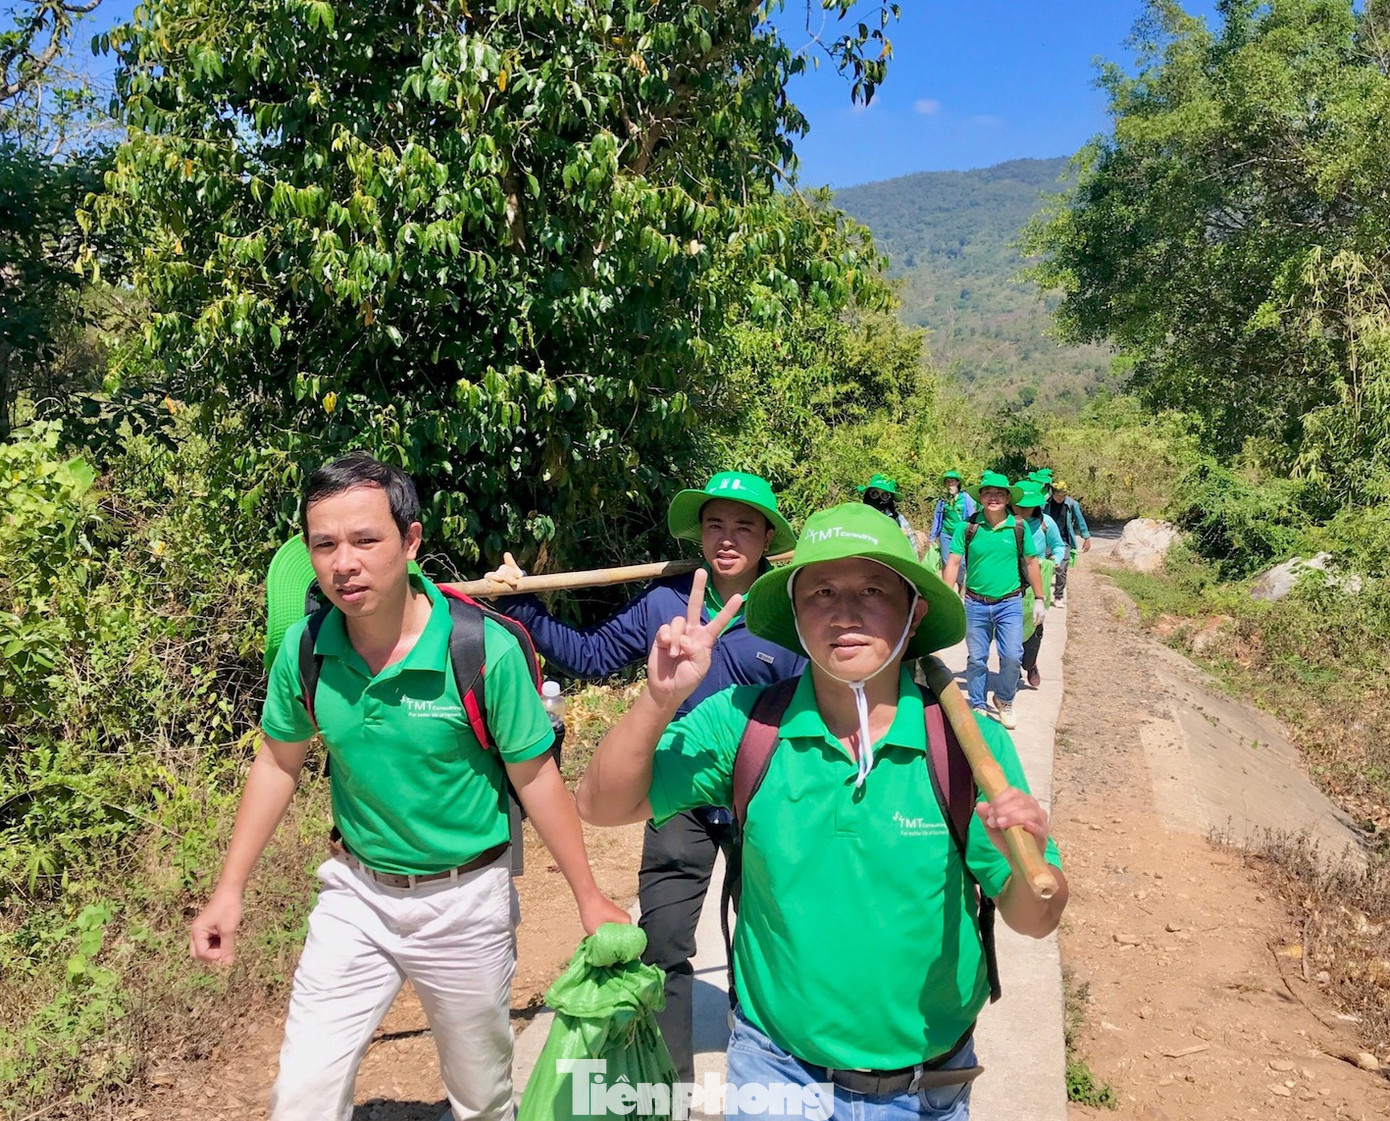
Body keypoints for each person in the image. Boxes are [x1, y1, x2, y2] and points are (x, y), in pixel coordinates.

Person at [575, 503, 1067, 1121]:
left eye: (873, 590)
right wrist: (658, 698)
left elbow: (1035, 917)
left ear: (914, 615)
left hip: (926, 1088)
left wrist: (1022, 867)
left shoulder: (967, 749)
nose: (845, 612)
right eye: (822, 592)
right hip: (775, 1071)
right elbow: (600, 803)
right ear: (796, 617)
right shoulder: (745, 723)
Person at [189, 454, 629, 1121]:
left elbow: (535, 777)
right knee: (302, 1095)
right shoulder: (306, 650)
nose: (345, 562)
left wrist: (589, 896)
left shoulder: (482, 649)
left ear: (411, 540)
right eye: (325, 545)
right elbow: (278, 763)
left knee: (481, 1099)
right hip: (356, 895)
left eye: (366, 540)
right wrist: (229, 889)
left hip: (465, 902)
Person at [481, 471, 804, 1083]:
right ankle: (669, 1088)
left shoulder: (785, 611)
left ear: (767, 537)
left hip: (761, 798)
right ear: (700, 535)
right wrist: (520, 604)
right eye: (715, 525)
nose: (727, 539)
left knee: (769, 941)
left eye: (743, 527)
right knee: (664, 946)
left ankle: (772, 1071)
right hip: (678, 794)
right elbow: (590, 656)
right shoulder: (666, 600)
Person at [940, 471, 1044, 731]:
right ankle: (977, 703)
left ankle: (1004, 699)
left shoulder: (1018, 527)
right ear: (981, 498)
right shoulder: (968, 528)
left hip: (1009, 603)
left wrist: (1040, 598)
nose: (993, 498)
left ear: (1008, 498)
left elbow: (1031, 563)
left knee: (1012, 655)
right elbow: (953, 562)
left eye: (999, 493)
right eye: (988, 493)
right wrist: (946, 593)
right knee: (977, 658)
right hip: (976, 604)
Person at [1014, 482, 1066, 690]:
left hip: (1035, 582)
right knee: (1008, 625)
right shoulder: (1006, 523)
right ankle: (1012, 665)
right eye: (1019, 506)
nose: (1023, 510)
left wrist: (1054, 560)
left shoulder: (1046, 523)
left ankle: (1030, 663)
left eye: (1028, 506)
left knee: (1034, 625)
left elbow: (1058, 546)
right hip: (1010, 582)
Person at [1043, 480, 1091, 606]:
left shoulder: (1071, 504)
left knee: (1061, 569)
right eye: (1058, 496)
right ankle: (1041, 595)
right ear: (1052, 493)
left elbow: (1080, 520)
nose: (1060, 499)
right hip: (1047, 540)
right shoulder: (1045, 502)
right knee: (1044, 567)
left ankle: (1058, 596)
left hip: (1064, 540)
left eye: (1063, 496)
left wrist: (1086, 537)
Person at [930, 471, 976, 588]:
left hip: (962, 535)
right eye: (948, 481)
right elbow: (937, 517)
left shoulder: (966, 498)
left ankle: (960, 584)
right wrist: (932, 536)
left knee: (962, 564)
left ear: (958, 482)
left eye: (952, 481)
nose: (950, 483)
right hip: (946, 534)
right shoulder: (943, 500)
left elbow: (972, 516)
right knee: (946, 561)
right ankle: (948, 588)